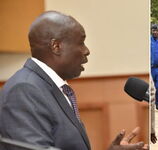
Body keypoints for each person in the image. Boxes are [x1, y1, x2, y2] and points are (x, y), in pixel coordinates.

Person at [0, 11, 147, 150]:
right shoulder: (24, 89)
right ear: (56, 46)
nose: (86, 50)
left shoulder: (49, 87)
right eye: (81, 42)